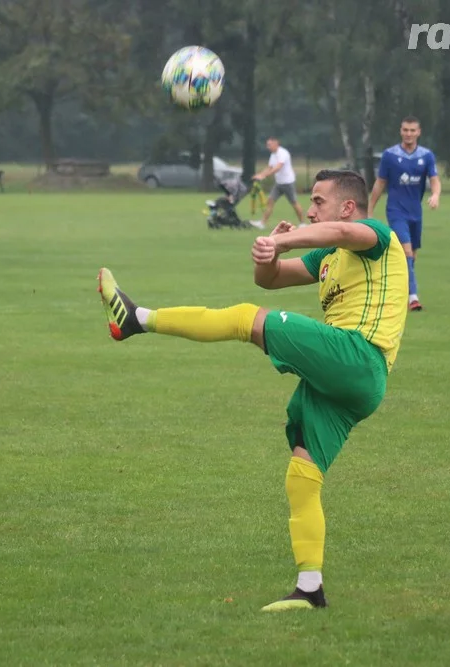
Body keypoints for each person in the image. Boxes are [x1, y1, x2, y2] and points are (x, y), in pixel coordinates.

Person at [97, 169, 408, 612]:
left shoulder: (373, 233)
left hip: (358, 357)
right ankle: (309, 590)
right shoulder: (327, 255)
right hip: (351, 381)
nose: (310, 207)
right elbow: (271, 279)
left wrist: (288, 237)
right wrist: (267, 253)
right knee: (302, 474)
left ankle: (137, 318)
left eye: (319, 200)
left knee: (247, 318)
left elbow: (340, 232)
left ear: (348, 206)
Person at [368, 116, 441, 311]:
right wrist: (369, 210)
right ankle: (413, 298)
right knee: (406, 252)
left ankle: (396, 288)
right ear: (401, 131)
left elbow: (434, 179)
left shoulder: (426, 156)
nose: (409, 134)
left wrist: (435, 194)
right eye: (405, 130)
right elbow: (380, 183)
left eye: (412, 130)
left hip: (415, 213)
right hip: (395, 211)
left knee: (411, 256)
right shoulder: (390, 155)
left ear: (419, 132)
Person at [252, 137, 305, 229]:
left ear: (276, 143)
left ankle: (302, 223)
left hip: (288, 182)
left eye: (269, 144)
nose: (268, 147)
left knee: (294, 202)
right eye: (267, 145)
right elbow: (269, 167)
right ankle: (262, 223)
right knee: (270, 202)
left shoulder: (283, 153)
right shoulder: (273, 155)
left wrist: (264, 176)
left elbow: (278, 167)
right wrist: (259, 175)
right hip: (279, 183)